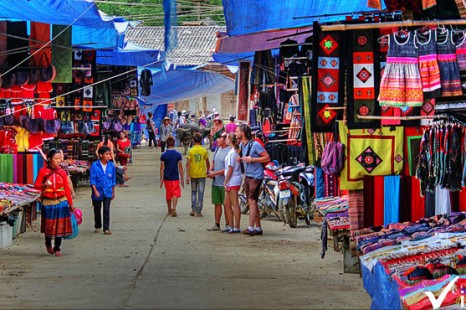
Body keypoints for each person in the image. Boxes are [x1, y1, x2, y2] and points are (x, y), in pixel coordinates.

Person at [34, 148, 75, 256]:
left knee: (60, 226)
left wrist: (70, 203)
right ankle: (48, 242)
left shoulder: (62, 171)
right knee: (49, 226)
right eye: (55, 159)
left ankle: (57, 248)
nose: (58, 161)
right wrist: (44, 186)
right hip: (48, 203)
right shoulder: (43, 171)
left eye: (59, 159)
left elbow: (66, 188)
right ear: (49, 159)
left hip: (61, 202)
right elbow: (36, 185)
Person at [235, 124, 270, 236]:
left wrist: (252, 159)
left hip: (256, 175)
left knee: (252, 200)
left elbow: (267, 157)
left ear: (243, 133)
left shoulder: (255, 144)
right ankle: (258, 227)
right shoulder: (242, 145)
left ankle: (251, 227)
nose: (236, 133)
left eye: (237, 131)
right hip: (248, 175)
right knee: (252, 201)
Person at [206, 132, 231, 231]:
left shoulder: (230, 151)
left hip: (225, 182)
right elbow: (213, 161)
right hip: (216, 182)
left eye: (219, 138)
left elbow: (228, 169)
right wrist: (211, 170)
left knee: (226, 205)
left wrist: (214, 173)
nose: (217, 140)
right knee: (217, 204)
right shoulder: (217, 149)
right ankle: (217, 224)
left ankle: (228, 224)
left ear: (225, 140)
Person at [90, 146, 117, 235]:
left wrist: (113, 192)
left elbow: (113, 180)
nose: (109, 156)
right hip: (97, 190)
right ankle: (98, 225)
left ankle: (106, 228)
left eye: (109, 154)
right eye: (107, 154)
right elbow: (92, 179)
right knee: (97, 209)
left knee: (106, 209)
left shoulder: (111, 165)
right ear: (101, 155)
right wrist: (95, 191)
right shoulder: (95, 165)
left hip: (108, 190)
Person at [186, 133, 210, 217]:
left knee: (193, 191)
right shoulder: (204, 150)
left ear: (193, 140)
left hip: (193, 174)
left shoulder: (191, 150)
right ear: (201, 140)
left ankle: (193, 209)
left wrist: (188, 176)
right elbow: (207, 162)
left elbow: (188, 164)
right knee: (201, 192)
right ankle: (199, 211)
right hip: (202, 174)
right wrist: (208, 170)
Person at [160, 136, 184, 217]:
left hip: (167, 177)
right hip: (175, 177)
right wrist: (182, 178)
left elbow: (162, 168)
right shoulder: (178, 154)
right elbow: (180, 167)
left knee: (168, 193)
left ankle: (169, 209)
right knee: (175, 192)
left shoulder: (163, 155)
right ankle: (174, 207)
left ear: (167, 144)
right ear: (174, 143)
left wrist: (161, 179)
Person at [224, 132, 243, 234]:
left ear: (230, 140)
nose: (225, 140)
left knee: (234, 202)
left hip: (233, 179)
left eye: (227, 138)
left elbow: (230, 168)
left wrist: (226, 181)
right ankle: (231, 225)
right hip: (232, 179)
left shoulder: (232, 153)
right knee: (227, 203)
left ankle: (236, 226)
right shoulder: (232, 152)